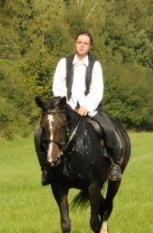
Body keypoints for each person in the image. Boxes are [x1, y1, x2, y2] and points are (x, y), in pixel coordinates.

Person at [36, 31, 123, 185]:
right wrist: (67, 107)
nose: (82, 45)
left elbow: (98, 90)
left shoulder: (95, 65)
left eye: (85, 43)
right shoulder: (64, 62)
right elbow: (58, 87)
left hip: (90, 109)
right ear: (75, 43)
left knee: (109, 129)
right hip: (65, 110)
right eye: (79, 42)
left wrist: (85, 107)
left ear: (90, 46)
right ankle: (45, 169)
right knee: (38, 134)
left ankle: (114, 165)